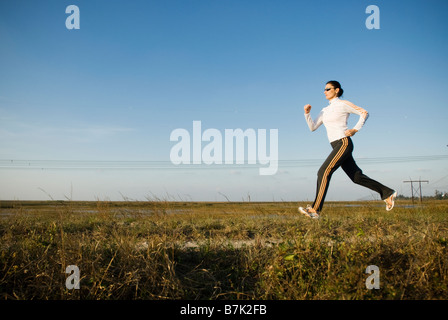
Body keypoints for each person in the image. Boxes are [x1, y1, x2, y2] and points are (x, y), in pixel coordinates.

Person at [299, 80, 397, 219]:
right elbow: (313, 127)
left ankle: (315, 210)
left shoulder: (343, 104)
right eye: (324, 89)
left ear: (337, 90)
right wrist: (307, 114)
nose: (325, 91)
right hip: (335, 145)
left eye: (328, 89)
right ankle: (387, 193)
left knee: (323, 171)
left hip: (343, 143)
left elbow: (364, 112)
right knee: (356, 177)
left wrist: (355, 129)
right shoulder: (324, 110)